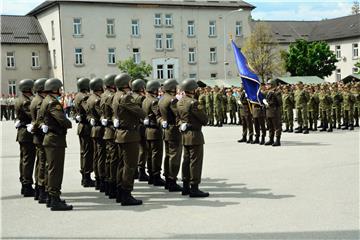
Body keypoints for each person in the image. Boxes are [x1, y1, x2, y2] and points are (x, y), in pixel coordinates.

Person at [39, 78, 73, 211]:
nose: (61, 90)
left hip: (50, 139)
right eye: (59, 88)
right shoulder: (53, 103)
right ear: (54, 88)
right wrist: (68, 123)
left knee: (50, 168)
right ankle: (54, 199)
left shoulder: (46, 100)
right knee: (55, 170)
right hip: (55, 140)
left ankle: (50, 197)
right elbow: (62, 120)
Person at [112, 73, 145, 206]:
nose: (131, 84)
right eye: (130, 82)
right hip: (129, 134)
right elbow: (140, 112)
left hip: (121, 133)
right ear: (125, 83)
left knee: (121, 165)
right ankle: (126, 193)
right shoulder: (126, 97)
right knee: (130, 165)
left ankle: (120, 191)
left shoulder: (116, 95)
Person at [177, 79, 209, 197]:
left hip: (185, 135)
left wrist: (182, 124)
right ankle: (194, 187)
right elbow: (205, 120)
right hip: (195, 135)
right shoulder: (193, 103)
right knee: (195, 161)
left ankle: (185, 186)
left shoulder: (180, 102)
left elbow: (178, 119)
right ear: (192, 90)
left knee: (186, 161)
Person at [158, 79, 183, 192]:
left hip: (166, 130)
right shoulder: (172, 100)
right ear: (172, 88)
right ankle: (172, 180)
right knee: (174, 156)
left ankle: (168, 178)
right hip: (174, 130)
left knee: (168, 155)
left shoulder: (162, 99)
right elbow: (178, 114)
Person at [15, 79, 36, 197]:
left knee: (24, 159)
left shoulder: (20, 99)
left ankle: (24, 184)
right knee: (28, 160)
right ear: (28, 88)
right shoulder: (25, 102)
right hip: (27, 134)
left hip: (23, 133)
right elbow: (31, 115)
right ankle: (27, 185)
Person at [142, 80, 165, 186]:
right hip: (155, 130)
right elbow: (157, 114)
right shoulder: (154, 101)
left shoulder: (145, 100)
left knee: (150, 155)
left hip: (147, 130)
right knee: (156, 154)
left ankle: (151, 175)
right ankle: (156, 176)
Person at [30, 78, 48, 203]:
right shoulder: (40, 102)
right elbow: (39, 119)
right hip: (41, 135)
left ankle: (38, 188)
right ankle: (41, 190)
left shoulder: (36, 99)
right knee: (42, 163)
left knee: (40, 163)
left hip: (38, 135)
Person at [73, 78, 95, 187]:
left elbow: (74, 112)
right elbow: (88, 108)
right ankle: (86, 177)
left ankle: (85, 176)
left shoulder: (77, 95)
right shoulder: (84, 97)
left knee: (84, 152)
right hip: (86, 127)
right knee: (87, 152)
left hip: (82, 126)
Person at [100, 74, 118, 197]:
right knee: (114, 160)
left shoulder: (102, 95)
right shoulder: (111, 96)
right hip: (112, 130)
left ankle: (108, 184)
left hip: (107, 130)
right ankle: (112, 186)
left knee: (108, 159)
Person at [87, 77, 106, 192]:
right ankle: (100, 179)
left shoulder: (90, 98)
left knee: (97, 155)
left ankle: (98, 178)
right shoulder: (97, 100)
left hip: (95, 129)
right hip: (100, 129)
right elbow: (101, 113)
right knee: (101, 156)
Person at [131, 79, 150, 182]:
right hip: (141, 126)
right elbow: (144, 112)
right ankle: (141, 171)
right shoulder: (141, 98)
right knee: (143, 148)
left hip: (133, 127)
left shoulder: (130, 96)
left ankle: (134, 171)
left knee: (135, 150)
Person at [263, 80, 282, 146]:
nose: (267, 85)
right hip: (268, 112)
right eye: (267, 84)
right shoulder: (268, 92)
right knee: (270, 127)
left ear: (273, 85)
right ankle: (271, 139)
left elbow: (279, 102)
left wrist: (269, 102)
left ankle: (277, 140)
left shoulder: (277, 92)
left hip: (275, 111)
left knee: (277, 127)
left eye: (268, 84)